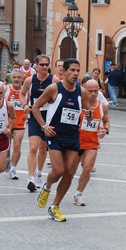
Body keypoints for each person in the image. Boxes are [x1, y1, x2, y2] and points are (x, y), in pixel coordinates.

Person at [33, 58, 92, 222]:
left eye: (77, 71)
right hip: (55, 135)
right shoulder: (53, 89)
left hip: (72, 136)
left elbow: (89, 113)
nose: (75, 73)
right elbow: (36, 107)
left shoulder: (82, 92)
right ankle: (46, 187)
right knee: (58, 171)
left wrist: (89, 115)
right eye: (72, 70)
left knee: (70, 173)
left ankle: (54, 207)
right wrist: (44, 126)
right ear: (64, 71)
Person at [20, 55, 59, 192]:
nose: (44, 67)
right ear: (36, 65)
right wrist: (25, 105)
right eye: (42, 64)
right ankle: (30, 178)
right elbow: (22, 94)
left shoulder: (54, 80)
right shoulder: (30, 80)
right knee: (33, 147)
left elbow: (59, 96)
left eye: (46, 64)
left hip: (48, 117)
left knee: (43, 149)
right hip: (34, 115)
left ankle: (38, 173)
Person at [73, 77, 110, 206]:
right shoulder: (77, 103)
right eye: (90, 91)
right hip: (76, 141)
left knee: (87, 168)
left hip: (92, 142)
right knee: (69, 171)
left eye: (96, 90)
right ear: (84, 90)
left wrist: (105, 129)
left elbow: (106, 121)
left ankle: (78, 194)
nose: (93, 94)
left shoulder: (102, 106)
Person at [4, 68, 26, 180]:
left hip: (20, 121)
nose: (16, 79)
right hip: (7, 121)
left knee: (17, 144)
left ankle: (13, 168)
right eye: (14, 77)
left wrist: (28, 114)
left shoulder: (26, 91)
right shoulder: (6, 89)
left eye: (19, 77)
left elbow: (31, 105)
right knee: (6, 145)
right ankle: (8, 159)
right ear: (11, 79)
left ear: (23, 79)